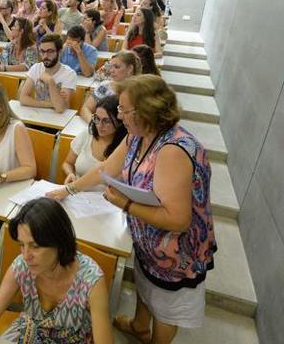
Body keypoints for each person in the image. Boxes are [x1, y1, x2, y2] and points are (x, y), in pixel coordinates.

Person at [47, 75, 217, 344]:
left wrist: (126, 204)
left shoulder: (172, 150)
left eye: (123, 110)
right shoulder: (139, 136)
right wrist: (69, 189)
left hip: (175, 253)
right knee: (146, 286)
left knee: (165, 310)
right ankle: (139, 325)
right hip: (148, 240)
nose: (119, 115)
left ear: (146, 111)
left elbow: (178, 220)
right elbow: (105, 169)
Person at [0, 197, 113, 344]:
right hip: (30, 333)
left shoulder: (91, 280)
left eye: (35, 246)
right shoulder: (22, 266)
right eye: (22, 245)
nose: (26, 255)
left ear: (59, 242)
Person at [61, 96, 126, 191]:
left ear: (119, 122)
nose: (99, 125)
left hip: (108, 201)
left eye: (106, 121)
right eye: (97, 118)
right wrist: (70, 173)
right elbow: (67, 163)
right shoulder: (87, 135)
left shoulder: (126, 145)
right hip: (78, 193)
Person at [19, 34, 79, 113]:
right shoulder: (36, 68)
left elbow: (60, 108)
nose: (45, 56)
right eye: (42, 51)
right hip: (38, 116)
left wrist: (51, 82)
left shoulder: (69, 74)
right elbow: (23, 99)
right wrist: (51, 104)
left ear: (60, 52)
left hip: (59, 120)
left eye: (50, 51)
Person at [81, 51, 142, 123]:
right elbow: (85, 108)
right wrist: (95, 124)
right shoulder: (104, 86)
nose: (111, 70)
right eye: (111, 66)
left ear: (130, 69)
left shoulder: (140, 91)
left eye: (116, 67)